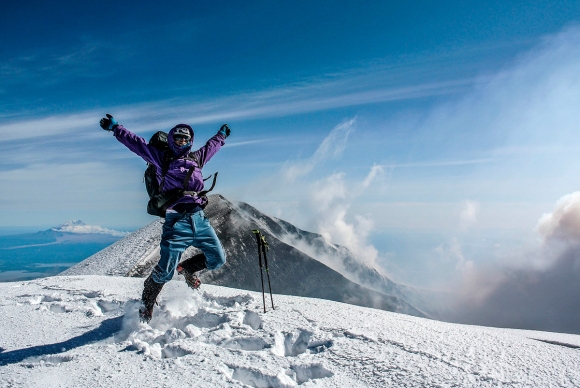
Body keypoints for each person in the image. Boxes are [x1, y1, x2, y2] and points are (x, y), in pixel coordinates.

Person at [99, 114, 231, 322]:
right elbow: (137, 144)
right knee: (165, 272)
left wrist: (221, 135)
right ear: (171, 140)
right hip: (177, 222)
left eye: (185, 139)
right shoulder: (162, 159)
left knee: (217, 259)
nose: (181, 142)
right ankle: (147, 303)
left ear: (190, 141)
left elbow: (211, 147)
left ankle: (187, 269)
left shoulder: (196, 159)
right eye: (177, 138)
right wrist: (116, 128)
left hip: (199, 219)